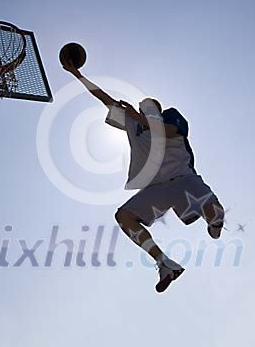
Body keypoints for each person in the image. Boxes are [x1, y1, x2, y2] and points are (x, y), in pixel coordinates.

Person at [63, 60, 225, 293]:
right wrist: (78, 74)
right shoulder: (133, 123)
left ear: (157, 109)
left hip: (183, 177)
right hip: (155, 187)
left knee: (214, 210)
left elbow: (166, 132)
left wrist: (137, 116)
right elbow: (103, 98)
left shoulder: (170, 116)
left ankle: (215, 223)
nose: (144, 106)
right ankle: (164, 263)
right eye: (142, 106)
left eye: (150, 105)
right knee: (124, 216)